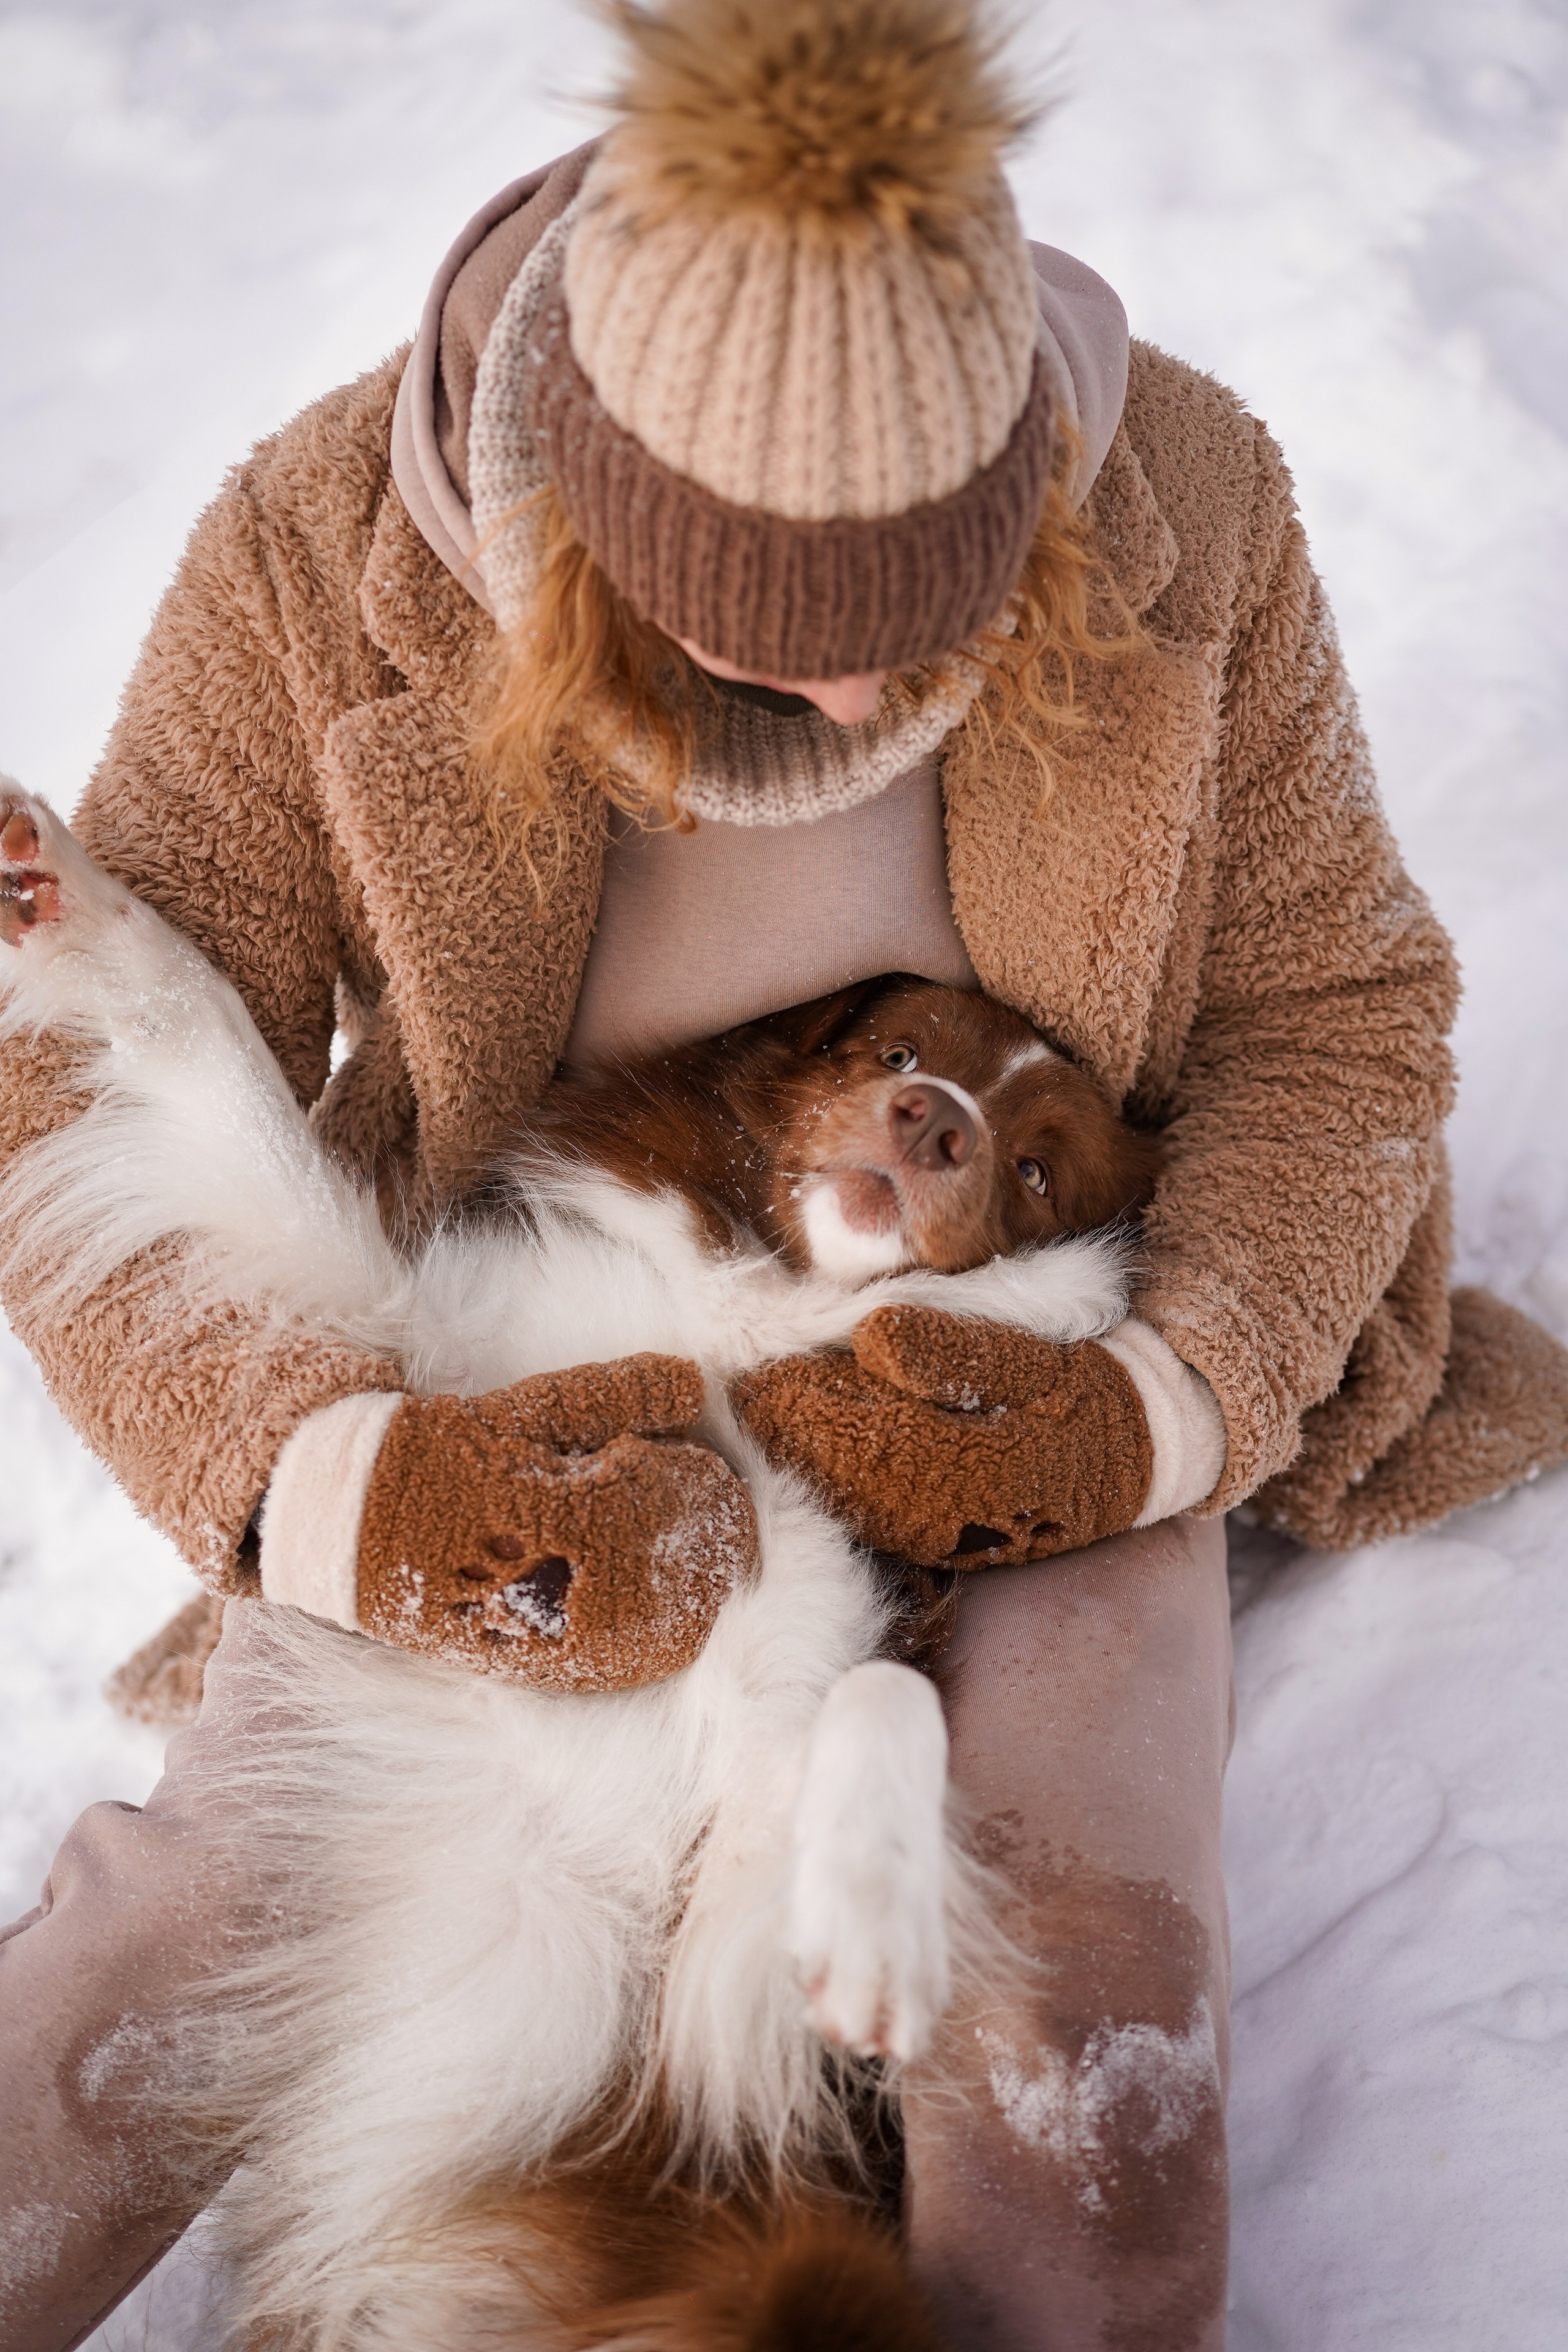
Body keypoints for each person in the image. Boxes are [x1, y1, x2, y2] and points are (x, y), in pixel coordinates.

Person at [3, 2, 1567, 2346]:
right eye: (777, 637)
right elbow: (58, 1075)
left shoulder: (1189, 502)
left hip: (1038, 1352)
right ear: (593, 516)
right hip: (549, 1338)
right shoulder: (319, 554)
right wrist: (345, 1491)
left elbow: (1334, 1017)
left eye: (935, 621)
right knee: (188, 1917)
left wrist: (1158, 1410)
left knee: (1078, 1968)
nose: (859, 707)